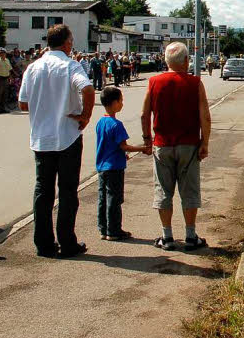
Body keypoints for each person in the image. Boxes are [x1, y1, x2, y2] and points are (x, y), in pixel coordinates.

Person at [18, 24, 95, 258]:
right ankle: (67, 242)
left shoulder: (33, 68)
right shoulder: (70, 65)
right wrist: (85, 115)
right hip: (67, 136)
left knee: (43, 190)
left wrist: (43, 107)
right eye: (71, 41)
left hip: (42, 138)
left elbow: (23, 103)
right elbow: (88, 89)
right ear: (67, 43)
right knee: (68, 191)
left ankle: (43, 244)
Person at [141, 42, 211, 251]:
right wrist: (205, 142)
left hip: (162, 145)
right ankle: (190, 235)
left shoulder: (153, 82)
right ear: (187, 61)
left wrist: (147, 139)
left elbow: (145, 114)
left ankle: (167, 236)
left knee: (163, 190)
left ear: (165, 61)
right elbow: (205, 117)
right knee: (189, 190)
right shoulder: (195, 83)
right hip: (189, 145)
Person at [95, 85, 147, 241]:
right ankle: (114, 230)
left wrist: (122, 154)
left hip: (102, 166)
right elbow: (124, 146)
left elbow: (109, 145)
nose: (122, 103)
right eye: (121, 101)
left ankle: (103, 228)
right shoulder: (116, 125)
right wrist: (142, 148)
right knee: (114, 199)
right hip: (114, 167)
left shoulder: (100, 122)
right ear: (114, 102)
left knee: (103, 198)